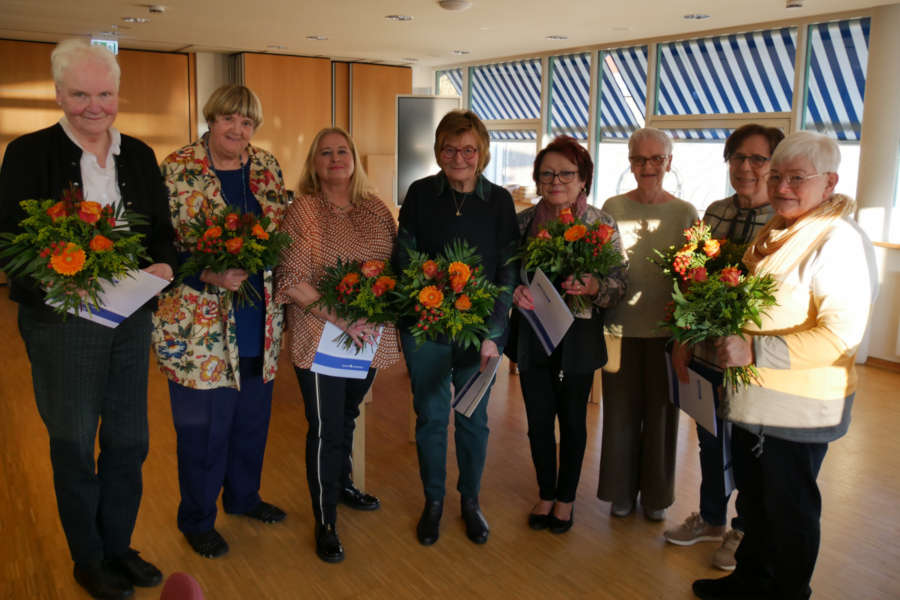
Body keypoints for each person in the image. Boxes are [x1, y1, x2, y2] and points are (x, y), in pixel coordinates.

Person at [0, 39, 176, 599]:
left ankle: (118, 545)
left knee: (129, 441)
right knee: (75, 441)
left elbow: (163, 235)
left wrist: (168, 264)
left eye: (104, 93)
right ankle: (89, 556)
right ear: (59, 94)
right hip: (63, 323)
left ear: (117, 93)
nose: (94, 105)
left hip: (129, 319)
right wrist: (57, 281)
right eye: (80, 94)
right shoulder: (29, 154)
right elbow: (9, 245)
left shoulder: (141, 156)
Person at [693, 131, 878, 600]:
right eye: (776, 176)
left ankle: (789, 592)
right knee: (755, 505)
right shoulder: (777, 230)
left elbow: (841, 336)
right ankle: (749, 581)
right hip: (756, 400)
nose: (782, 187)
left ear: (830, 181)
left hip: (799, 408)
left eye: (797, 177)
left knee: (790, 511)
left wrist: (754, 352)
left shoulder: (838, 240)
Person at [151, 84, 289, 559]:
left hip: (258, 319)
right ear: (212, 118)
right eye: (230, 119)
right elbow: (157, 246)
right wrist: (207, 271)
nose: (239, 130)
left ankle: (244, 497)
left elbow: (278, 235)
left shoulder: (267, 166)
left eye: (248, 122)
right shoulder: (176, 168)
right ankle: (197, 518)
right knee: (203, 430)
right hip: (198, 326)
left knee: (252, 420)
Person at [395, 109, 518, 546]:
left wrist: (495, 333)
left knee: (472, 420)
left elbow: (508, 271)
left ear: (482, 152)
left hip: (479, 337)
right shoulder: (420, 193)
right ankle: (433, 503)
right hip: (426, 331)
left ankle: (470, 502)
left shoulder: (499, 201)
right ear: (439, 152)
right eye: (450, 148)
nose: (459, 157)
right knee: (429, 417)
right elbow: (403, 259)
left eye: (468, 149)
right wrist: (421, 307)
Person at [275, 127, 399, 563]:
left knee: (346, 417)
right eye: (325, 153)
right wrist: (340, 317)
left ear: (354, 158)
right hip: (320, 335)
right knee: (325, 428)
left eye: (342, 150)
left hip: (366, 337)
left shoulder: (376, 209)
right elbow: (289, 280)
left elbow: (394, 268)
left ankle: (342, 484)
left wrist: (371, 311)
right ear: (313, 162)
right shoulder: (302, 211)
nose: (334, 158)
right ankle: (325, 520)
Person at [665, 124, 784, 570]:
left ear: (775, 165)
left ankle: (744, 529)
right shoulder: (712, 213)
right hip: (705, 353)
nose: (746, 168)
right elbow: (686, 280)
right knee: (710, 440)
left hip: (754, 360)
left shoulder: (783, 221)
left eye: (758, 159)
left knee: (752, 449)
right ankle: (712, 517)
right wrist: (681, 340)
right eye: (738, 158)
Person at [509, 136, 626, 533]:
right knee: (539, 419)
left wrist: (594, 286)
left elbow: (619, 284)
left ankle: (566, 499)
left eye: (566, 173)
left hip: (579, 335)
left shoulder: (601, 224)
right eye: (547, 174)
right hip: (534, 333)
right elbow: (503, 274)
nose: (556, 180)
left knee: (573, 420)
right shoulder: (523, 223)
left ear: (583, 180)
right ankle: (545, 491)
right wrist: (514, 290)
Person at [597, 127, 698, 521]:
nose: (648, 167)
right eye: (640, 159)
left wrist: (685, 334)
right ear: (630, 162)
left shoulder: (686, 212)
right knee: (619, 415)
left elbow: (692, 278)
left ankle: (656, 497)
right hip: (618, 329)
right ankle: (620, 492)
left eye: (657, 159)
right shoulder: (612, 206)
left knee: (661, 417)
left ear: (669, 163)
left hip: (665, 334)